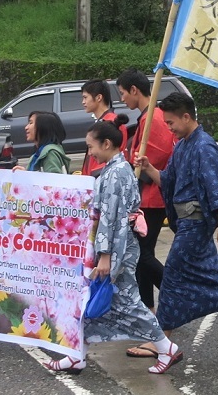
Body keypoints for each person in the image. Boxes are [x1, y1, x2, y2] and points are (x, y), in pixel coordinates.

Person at [135, 93, 218, 352]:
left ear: (187, 117)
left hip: (196, 223)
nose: (170, 128)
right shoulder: (183, 145)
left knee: (173, 275)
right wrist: (150, 168)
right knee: (215, 274)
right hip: (187, 222)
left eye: (172, 122)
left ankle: (161, 340)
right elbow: (169, 182)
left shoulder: (204, 146)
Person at [45, 121, 175, 375]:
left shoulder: (116, 173)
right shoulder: (116, 169)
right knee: (93, 301)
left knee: (124, 302)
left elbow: (110, 217)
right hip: (119, 245)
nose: (89, 152)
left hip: (117, 249)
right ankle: (76, 354)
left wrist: (104, 256)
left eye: (91, 146)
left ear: (106, 144)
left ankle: (165, 346)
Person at [116, 69, 176, 308]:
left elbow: (161, 153)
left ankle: (173, 294)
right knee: (141, 252)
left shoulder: (154, 116)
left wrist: (138, 162)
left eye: (123, 93)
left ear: (134, 90)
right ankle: (146, 305)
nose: (122, 99)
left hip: (154, 195)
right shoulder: (146, 116)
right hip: (148, 194)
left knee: (140, 253)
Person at [0, 111, 69, 174]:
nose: (26, 127)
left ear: (43, 127)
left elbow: (53, 186)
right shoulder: (40, 153)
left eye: (31, 123)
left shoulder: (50, 154)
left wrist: (26, 176)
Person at [81, 79, 128, 176]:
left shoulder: (112, 123)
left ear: (99, 97)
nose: (83, 102)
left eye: (85, 97)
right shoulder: (103, 121)